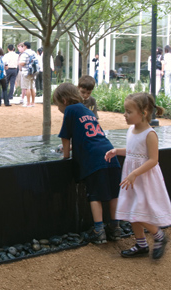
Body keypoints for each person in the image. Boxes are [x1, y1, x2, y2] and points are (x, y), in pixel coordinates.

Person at [104, 93, 171, 259]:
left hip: (143, 179)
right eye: (125, 111)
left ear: (143, 112)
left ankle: (158, 236)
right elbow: (133, 152)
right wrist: (117, 151)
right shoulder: (131, 130)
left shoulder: (150, 134)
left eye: (129, 112)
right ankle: (141, 244)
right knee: (130, 210)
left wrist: (135, 173)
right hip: (132, 178)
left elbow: (153, 160)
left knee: (136, 211)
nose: (125, 115)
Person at [54, 83, 121, 244]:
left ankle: (99, 231)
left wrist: (65, 156)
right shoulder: (85, 109)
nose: (58, 109)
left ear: (64, 100)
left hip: (94, 159)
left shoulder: (70, 110)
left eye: (57, 105)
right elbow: (88, 135)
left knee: (95, 195)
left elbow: (65, 136)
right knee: (114, 194)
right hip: (110, 153)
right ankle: (115, 228)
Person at [19, 41, 37, 107]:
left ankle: (28, 103)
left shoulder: (25, 53)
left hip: (26, 72)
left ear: (25, 46)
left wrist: (19, 62)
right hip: (33, 72)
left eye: (23, 46)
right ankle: (33, 103)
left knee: (27, 88)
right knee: (32, 87)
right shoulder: (34, 52)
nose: (22, 47)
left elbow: (22, 63)